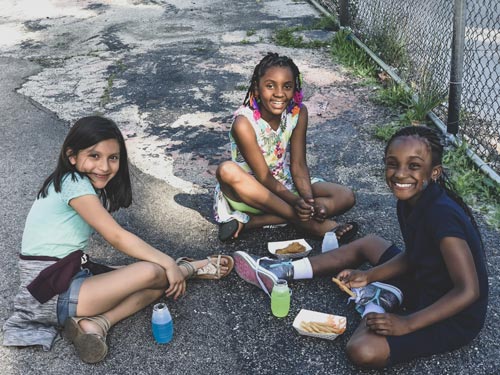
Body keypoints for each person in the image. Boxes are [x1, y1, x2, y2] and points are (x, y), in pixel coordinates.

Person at [233, 125, 488, 368]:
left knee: (363, 350)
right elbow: (417, 254)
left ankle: (376, 303)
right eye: (392, 163)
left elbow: (468, 291)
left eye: (414, 166)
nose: (400, 174)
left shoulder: (441, 215)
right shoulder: (410, 200)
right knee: (370, 243)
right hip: (425, 283)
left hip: (453, 315)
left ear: (435, 172)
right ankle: (283, 270)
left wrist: (406, 323)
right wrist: (369, 275)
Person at [3, 116, 234, 364]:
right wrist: (167, 262)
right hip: (51, 291)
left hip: (63, 280)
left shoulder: (79, 183)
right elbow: (116, 236)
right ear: (72, 156)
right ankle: (188, 268)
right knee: (152, 272)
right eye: (94, 156)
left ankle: (99, 323)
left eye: (112, 157)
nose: (104, 167)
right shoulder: (73, 183)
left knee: (153, 280)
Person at [214, 52, 358, 242]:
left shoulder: (298, 113)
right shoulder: (244, 123)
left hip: (284, 184)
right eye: (270, 86)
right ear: (256, 89)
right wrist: (295, 202)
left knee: (346, 196)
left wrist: (308, 201)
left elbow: (298, 165)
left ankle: (251, 223)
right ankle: (311, 225)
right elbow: (263, 176)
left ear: (295, 89)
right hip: (250, 192)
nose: (279, 93)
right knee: (226, 170)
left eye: (287, 86)